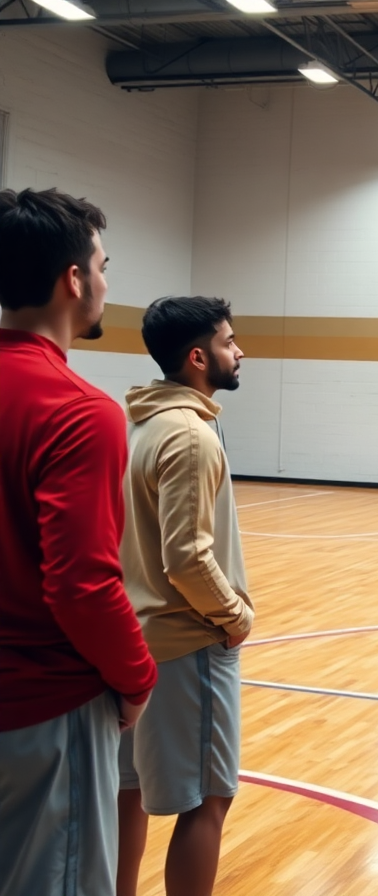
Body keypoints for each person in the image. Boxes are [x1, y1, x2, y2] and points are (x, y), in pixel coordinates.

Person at [0, 188, 157, 896]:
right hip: (44, 708)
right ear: (74, 280)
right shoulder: (79, 412)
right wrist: (137, 678)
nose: (104, 280)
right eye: (103, 265)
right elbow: (82, 584)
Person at [116, 296, 254, 896]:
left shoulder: (142, 424)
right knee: (210, 800)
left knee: (130, 791)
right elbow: (188, 558)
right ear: (198, 357)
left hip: (136, 637)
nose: (239, 350)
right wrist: (235, 616)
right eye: (228, 341)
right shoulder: (190, 437)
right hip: (187, 642)